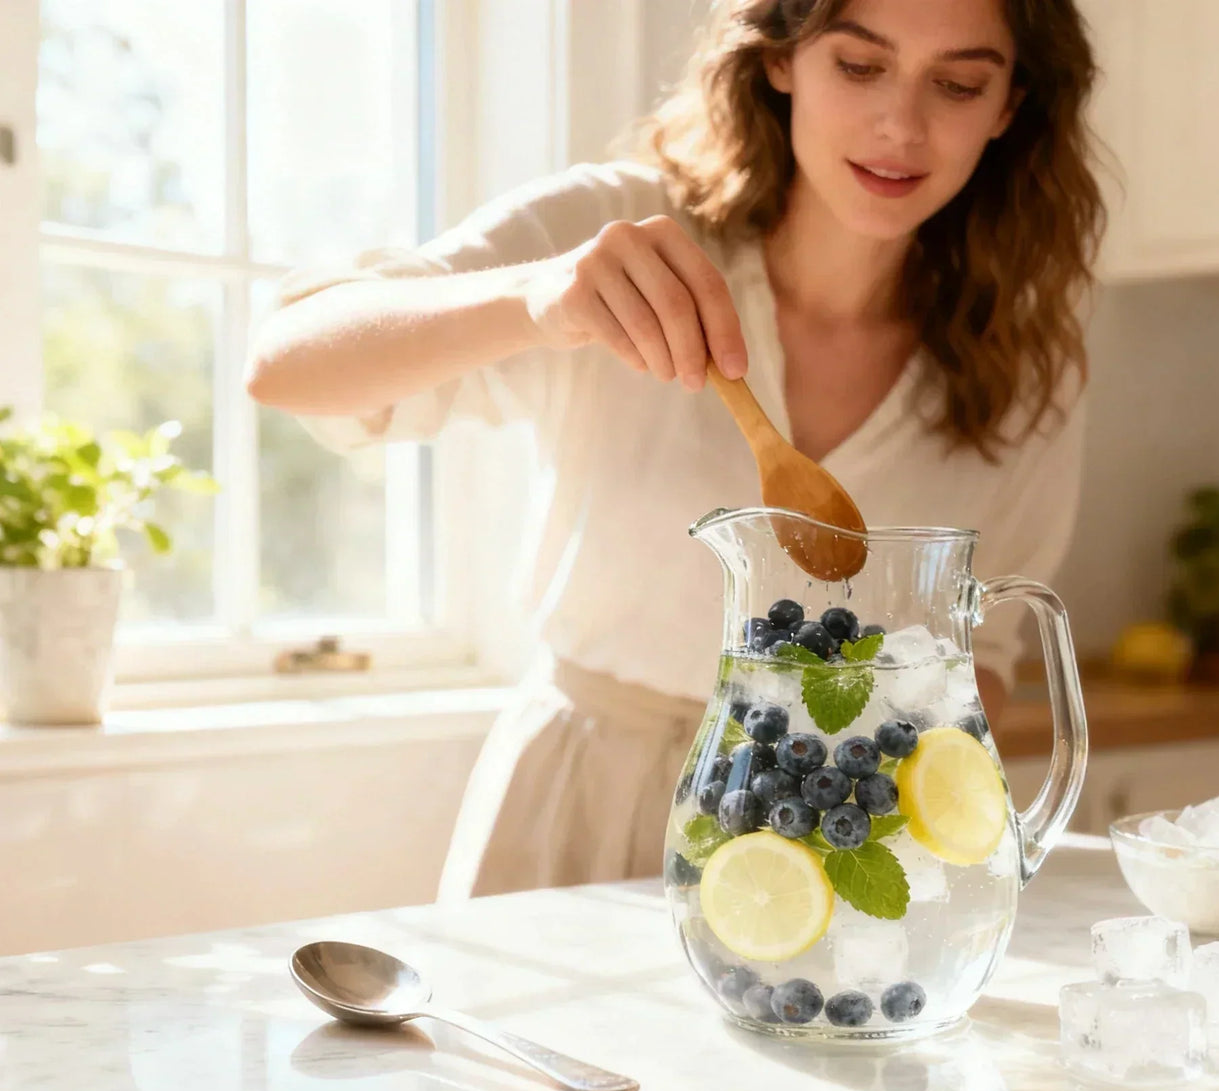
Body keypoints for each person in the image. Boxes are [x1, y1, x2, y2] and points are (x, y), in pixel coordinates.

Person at [245, 0, 1104, 899]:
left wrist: (897, 815)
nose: (902, 124)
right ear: (779, 59)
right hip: (578, 811)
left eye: (958, 84)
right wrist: (536, 301)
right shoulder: (614, 230)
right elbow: (285, 364)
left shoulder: (1029, 364)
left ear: (1009, 106)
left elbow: (984, 660)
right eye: (858, 67)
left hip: (831, 843)